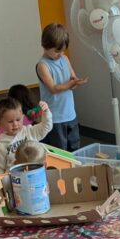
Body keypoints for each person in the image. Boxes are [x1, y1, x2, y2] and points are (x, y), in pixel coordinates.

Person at [35, 23, 86, 151]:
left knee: (75, 148)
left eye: (63, 50)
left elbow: (72, 79)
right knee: (59, 152)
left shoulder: (65, 59)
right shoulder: (42, 65)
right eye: (57, 51)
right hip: (55, 118)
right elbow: (53, 89)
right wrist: (71, 84)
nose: (61, 54)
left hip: (70, 114)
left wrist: (76, 82)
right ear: (45, 46)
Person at [0, 97, 52, 174]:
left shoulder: (29, 131)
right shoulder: (0, 145)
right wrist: (0, 180)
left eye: (18, 120)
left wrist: (46, 112)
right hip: (15, 179)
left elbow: (46, 126)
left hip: (36, 175)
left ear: (23, 117)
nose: (15, 124)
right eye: (10, 121)